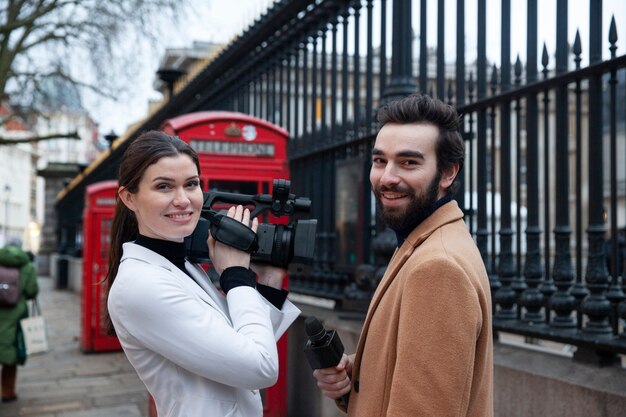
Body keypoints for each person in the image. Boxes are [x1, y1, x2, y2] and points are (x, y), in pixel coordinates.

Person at [312, 94, 493, 416]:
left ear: (448, 173)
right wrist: (359, 376)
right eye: (380, 160)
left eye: (409, 162)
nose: (387, 177)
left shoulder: (438, 267)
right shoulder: (425, 240)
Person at [105, 131, 300, 417]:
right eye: (164, 187)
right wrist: (234, 273)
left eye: (191, 184)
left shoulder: (182, 264)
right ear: (129, 198)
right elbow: (261, 367)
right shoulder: (141, 285)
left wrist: (268, 279)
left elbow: (245, 341)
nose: (183, 199)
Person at [0, 238, 39, 402]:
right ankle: (8, 392)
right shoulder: (27, 266)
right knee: (10, 355)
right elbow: (31, 291)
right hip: (16, 315)